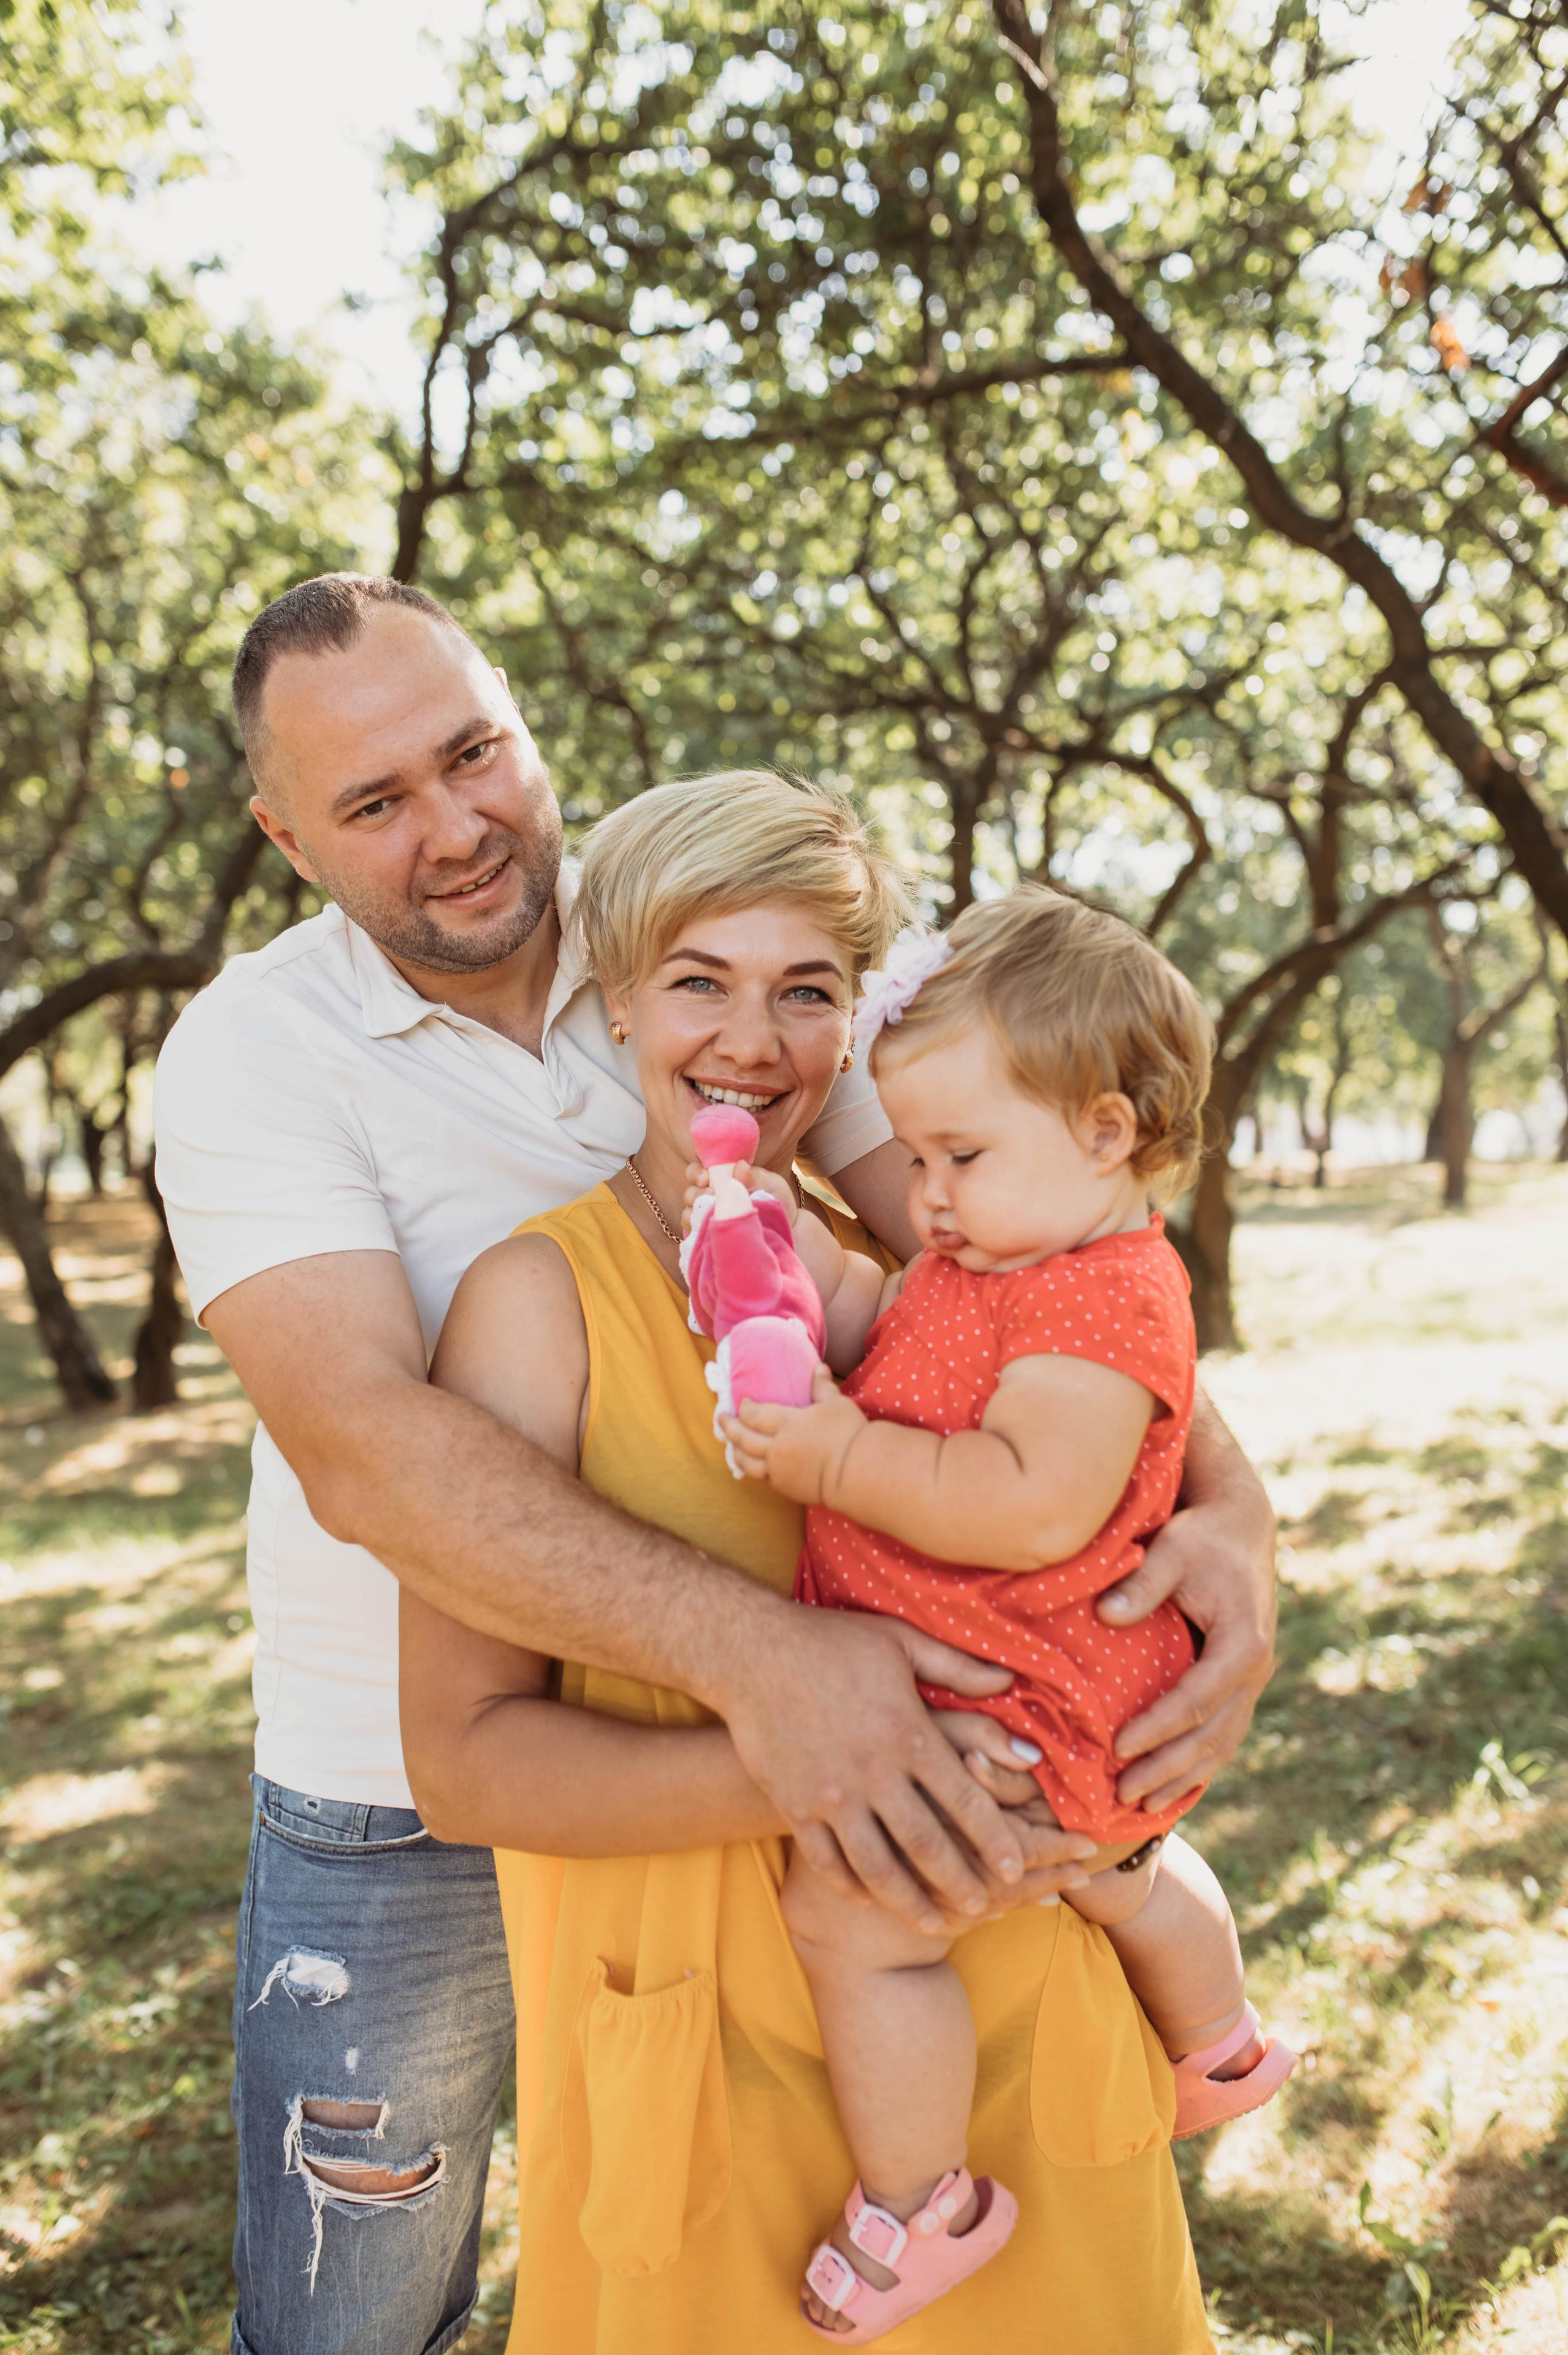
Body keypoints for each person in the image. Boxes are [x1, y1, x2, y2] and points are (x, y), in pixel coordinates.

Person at [153, 572, 1273, 2355]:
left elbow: (1019, 1265)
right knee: (363, 2304)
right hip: (420, 1771)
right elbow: (372, 1459)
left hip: (855, 1812)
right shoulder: (257, 1060)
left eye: (473, 753)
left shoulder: (705, 928)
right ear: (289, 838)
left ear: (526, 724)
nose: (453, 826)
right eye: (375, 801)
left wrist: (1227, 1514)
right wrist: (792, 1682)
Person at [399, 771, 1220, 2354]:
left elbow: (1109, 1457)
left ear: (854, 1022)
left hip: (1010, 2009)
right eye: (699, 982)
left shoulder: (921, 1261)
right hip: (705, 2059)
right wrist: (828, 1755)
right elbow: (464, 1767)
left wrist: (1207, 1592)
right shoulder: (533, 1304)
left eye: (807, 992)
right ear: (616, 996)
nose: (752, 1043)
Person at [720, 890, 1296, 2338]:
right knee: (1120, 1869)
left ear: (1105, 1132)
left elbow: (1030, 1501)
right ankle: (1218, 2042)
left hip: (1021, 1704)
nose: (923, 1194)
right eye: (912, 1155)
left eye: (958, 1155)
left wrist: (836, 1458)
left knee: (856, 1925)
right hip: (1061, 1698)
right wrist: (797, 1278)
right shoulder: (1005, 1259)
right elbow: (904, 1334)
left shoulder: (1103, 1304)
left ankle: (924, 2204)